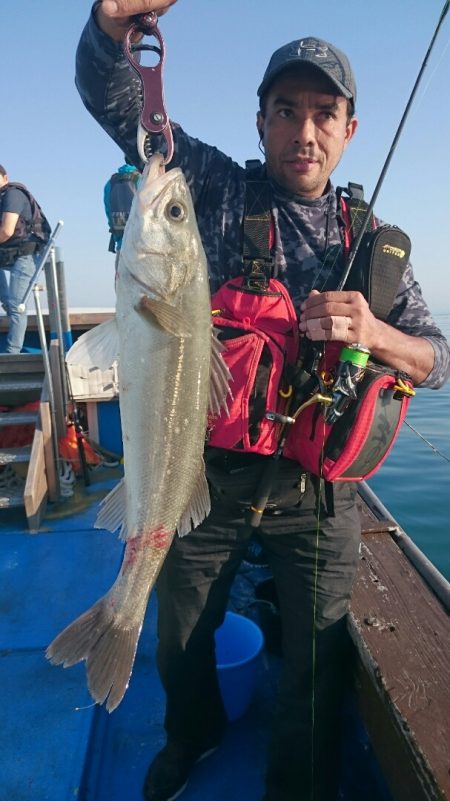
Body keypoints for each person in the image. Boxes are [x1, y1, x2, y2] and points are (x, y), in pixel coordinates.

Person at [75, 4, 450, 801]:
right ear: (262, 121)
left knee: (316, 656)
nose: (304, 132)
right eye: (287, 111)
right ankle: (195, 733)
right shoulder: (208, 188)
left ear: (349, 130)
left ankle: (296, 785)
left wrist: (379, 331)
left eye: (324, 114)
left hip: (316, 493)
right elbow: (119, 107)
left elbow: (437, 358)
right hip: (205, 470)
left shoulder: (371, 239)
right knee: (181, 638)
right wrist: (113, 30)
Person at [0, 164, 51, 354]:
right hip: (8, 252)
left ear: (5, 178)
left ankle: (12, 353)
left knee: (16, 305)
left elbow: (6, 231)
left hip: (27, 253)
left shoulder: (12, 195)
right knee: (10, 304)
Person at [103, 159, 140, 272]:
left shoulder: (110, 183)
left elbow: (109, 213)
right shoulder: (143, 180)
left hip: (121, 250)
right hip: (142, 251)